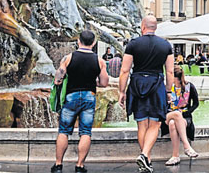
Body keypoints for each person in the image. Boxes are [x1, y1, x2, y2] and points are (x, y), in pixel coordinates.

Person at [118, 15, 174, 173]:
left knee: (141, 123)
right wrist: (169, 91)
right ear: (155, 27)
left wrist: (122, 91)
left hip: (137, 83)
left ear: (143, 26)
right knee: (155, 123)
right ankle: (145, 156)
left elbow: (124, 70)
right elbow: (169, 71)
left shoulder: (133, 44)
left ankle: (146, 159)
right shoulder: (165, 45)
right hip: (156, 84)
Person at [51, 30, 109, 173]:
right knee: (85, 132)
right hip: (89, 96)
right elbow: (104, 83)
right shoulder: (99, 61)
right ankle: (79, 166)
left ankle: (58, 165)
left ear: (78, 41)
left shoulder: (69, 58)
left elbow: (57, 79)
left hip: (71, 97)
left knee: (64, 131)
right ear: (94, 43)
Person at [162, 66, 199, 165]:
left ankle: (175, 156)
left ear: (175, 78)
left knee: (173, 124)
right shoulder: (167, 88)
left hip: (184, 117)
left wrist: (187, 112)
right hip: (168, 114)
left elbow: (196, 103)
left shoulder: (189, 87)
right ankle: (187, 147)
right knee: (176, 115)